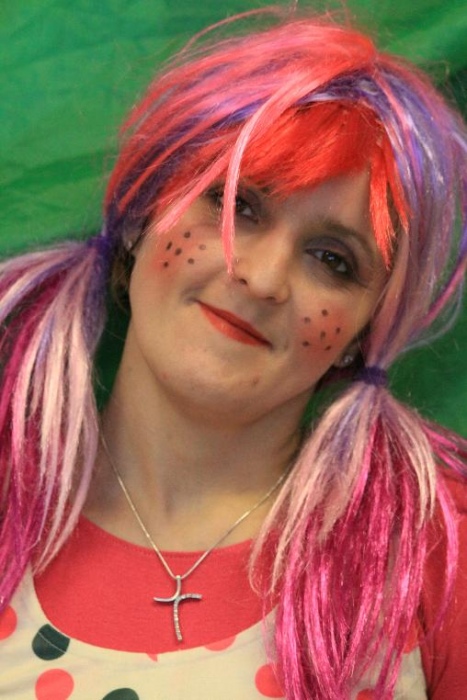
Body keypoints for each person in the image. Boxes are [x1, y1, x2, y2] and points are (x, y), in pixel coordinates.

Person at [0, 7, 466, 699]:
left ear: (363, 333)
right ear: (141, 218)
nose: (263, 278)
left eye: (332, 260)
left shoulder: (436, 547)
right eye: (237, 205)